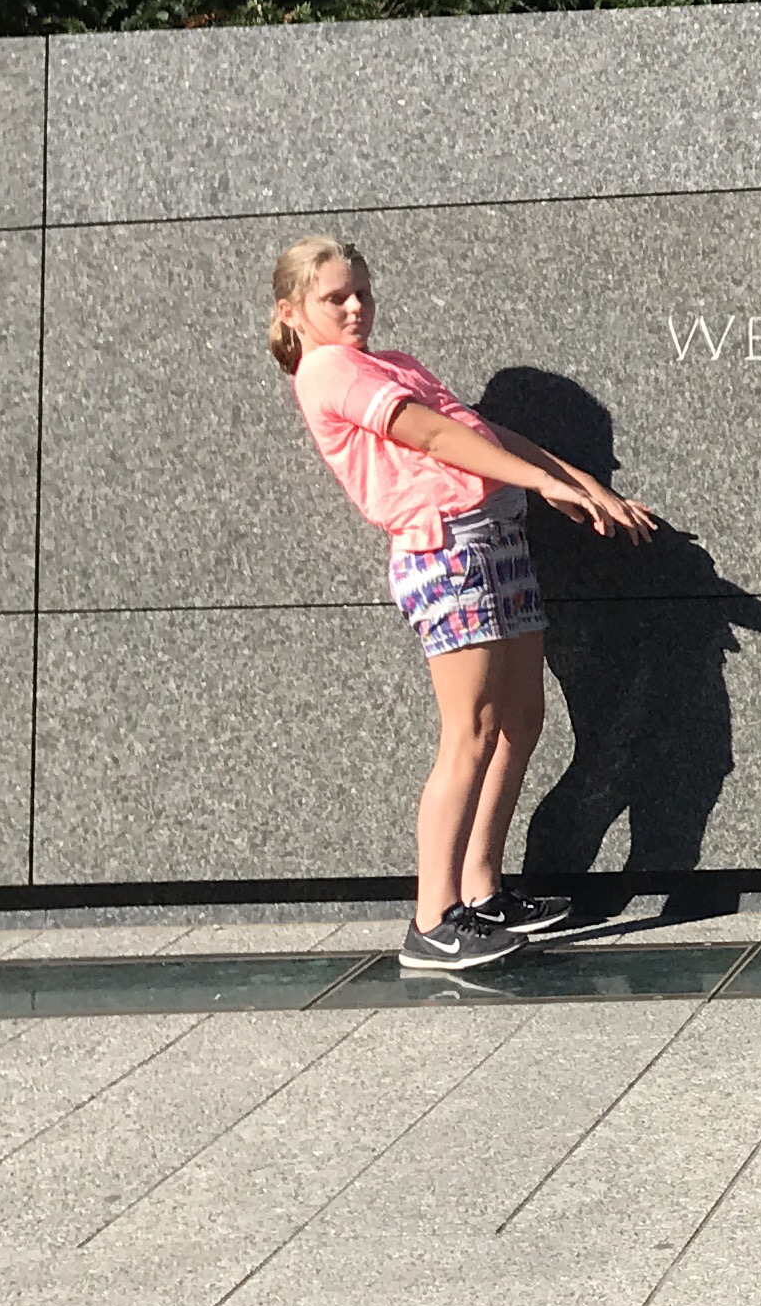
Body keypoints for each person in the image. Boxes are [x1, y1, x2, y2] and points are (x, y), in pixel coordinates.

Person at [267, 236, 657, 972]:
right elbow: (433, 435)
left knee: (521, 720)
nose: (355, 308)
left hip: (495, 539)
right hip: (447, 549)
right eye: (334, 298)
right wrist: (545, 485)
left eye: (362, 293)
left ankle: (481, 891)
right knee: (470, 732)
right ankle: (432, 921)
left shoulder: (392, 363)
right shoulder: (326, 369)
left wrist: (583, 485)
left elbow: (482, 430)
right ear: (291, 312)